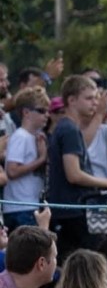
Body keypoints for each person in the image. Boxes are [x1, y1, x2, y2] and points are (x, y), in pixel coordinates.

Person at [47, 76, 107, 258]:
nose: (95, 103)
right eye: (89, 98)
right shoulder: (69, 129)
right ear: (71, 100)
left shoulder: (67, 128)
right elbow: (74, 174)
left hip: (71, 211)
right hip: (72, 212)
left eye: (96, 98)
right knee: (89, 267)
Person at [4, 88, 50, 229]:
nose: (46, 115)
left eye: (48, 111)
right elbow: (12, 171)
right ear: (26, 112)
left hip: (31, 205)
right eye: (41, 111)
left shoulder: (36, 137)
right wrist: (41, 159)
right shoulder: (20, 136)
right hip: (20, 207)